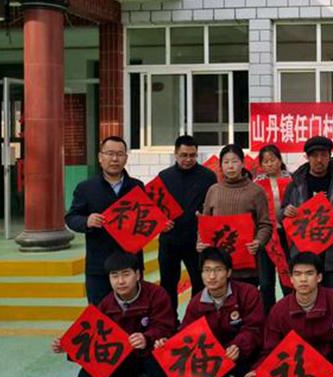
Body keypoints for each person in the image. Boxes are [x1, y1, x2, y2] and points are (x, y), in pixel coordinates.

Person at [53, 251, 176, 377]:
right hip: (126, 357)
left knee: (160, 349)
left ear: (138, 275)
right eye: (114, 276)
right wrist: (67, 346)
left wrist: (147, 337)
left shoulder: (156, 294)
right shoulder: (106, 304)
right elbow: (93, 341)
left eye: (126, 274)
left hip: (149, 351)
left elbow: (166, 326)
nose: (120, 281)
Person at [158, 247, 264, 377]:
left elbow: (255, 327)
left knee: (254, 354)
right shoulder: (196, 303)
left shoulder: (249, 293)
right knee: (191, 357)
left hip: (240, 349)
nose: (212, 276)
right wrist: (167, 343)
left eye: (218, 270)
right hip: (214, 354)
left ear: (229, 272)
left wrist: (238, 345)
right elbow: (186, 334)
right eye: (207, 270)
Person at [66, 136, 146, 304]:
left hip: (131, 264)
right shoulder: (86, 188)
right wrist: (86, 221)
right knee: (100, 312)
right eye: (110, 153)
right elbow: (71, 218)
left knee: (133, 311)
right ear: (100, 157)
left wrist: (161, 225)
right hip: (99, 266)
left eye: (120, 154)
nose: (115, 159)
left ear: (126, 158)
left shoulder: (137, 186)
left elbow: (146, 218)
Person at [283, 136, 333, 291]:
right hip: (304, 249)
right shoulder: (295, 183)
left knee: (332, 295)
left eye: (323, 155)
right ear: (307, 157)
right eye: (315, 155)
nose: (319, 160)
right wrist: (286, 211)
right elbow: (282, 212)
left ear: (330, 156)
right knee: (305, 294)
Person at [156, 135, 217, 315]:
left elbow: (214, 207)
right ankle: (169, 321)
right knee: (168, 283)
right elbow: (154, 208)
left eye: (192, 155)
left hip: (196, 241)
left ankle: (195, 319)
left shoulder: (208, 177)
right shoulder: (164, 177)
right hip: (169, 239)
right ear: (175, 154)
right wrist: (161, 222)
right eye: (184, 155)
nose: (188, 159)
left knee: (199, 282)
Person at [197, 144, 273, 286]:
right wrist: (200, 242)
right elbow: (204, 223)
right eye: (226, 162)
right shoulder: (213, 190)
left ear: (242, 163)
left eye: (234, 161)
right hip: (218, 266)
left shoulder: (256, 191)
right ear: (221, 165)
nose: (230, 166)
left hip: (247, 264)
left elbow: (265, 224)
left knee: (246, 297)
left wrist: (258, 242)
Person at [253, 144, 293, 314]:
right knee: (266, 282)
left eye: (273, 160)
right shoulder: (256, 184)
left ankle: (290, 313)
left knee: (288, 279)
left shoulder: (292, 180)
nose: (269, 164)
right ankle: (269, 317)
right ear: (261, 164)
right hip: (266, 235)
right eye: (265, 161)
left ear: (280, 160)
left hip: (288, 236)